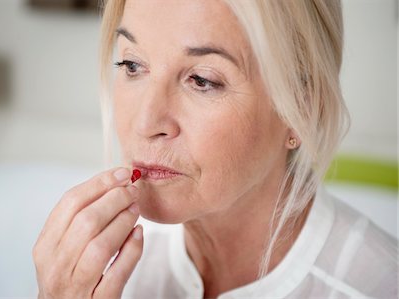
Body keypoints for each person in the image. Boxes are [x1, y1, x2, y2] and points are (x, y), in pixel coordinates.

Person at [32, 0, 398, 298]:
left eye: (202, 80)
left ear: (301, 110)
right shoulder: (98, 268)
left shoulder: (376, 287)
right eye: (132, 64)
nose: (145, 123)